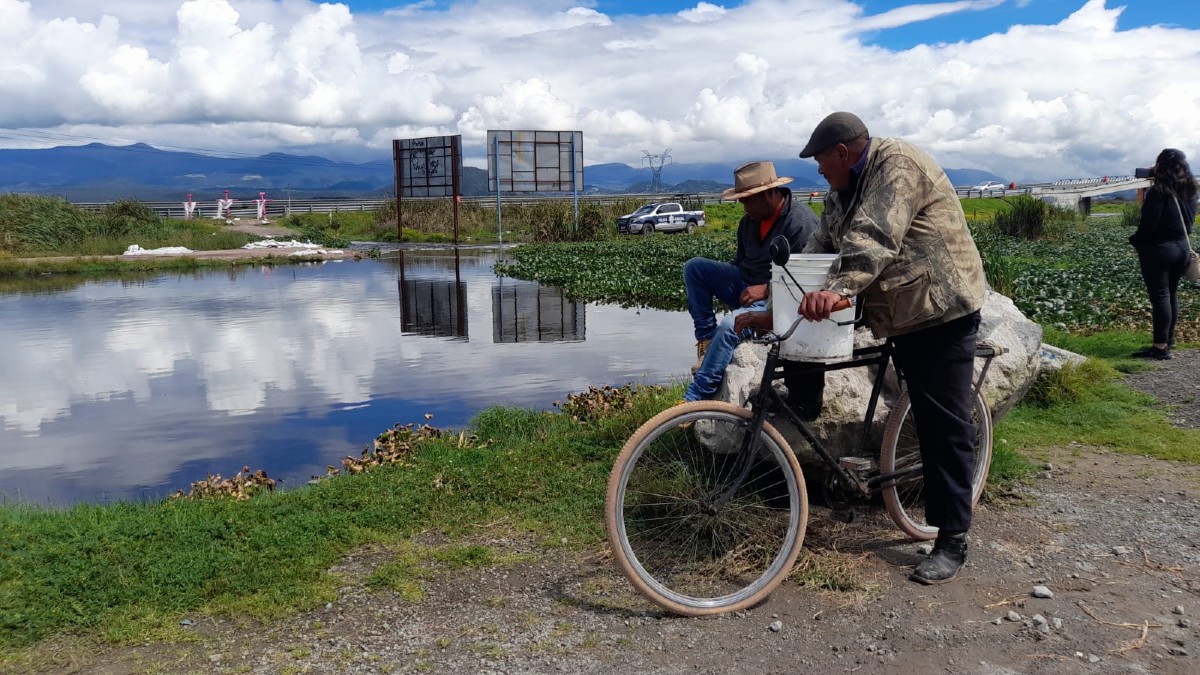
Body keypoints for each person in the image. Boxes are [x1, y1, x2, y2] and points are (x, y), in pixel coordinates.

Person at [796, 112, 987, 585]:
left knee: (941, 423)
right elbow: (823, 247)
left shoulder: (896, 163)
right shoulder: (844, 191)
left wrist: (839, 289)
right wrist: (779, 294)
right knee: (917, 406)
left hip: (941, 307)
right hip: (902, 311)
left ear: (843, 152)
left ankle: (952, 538)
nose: (819, 171)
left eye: (822, 162)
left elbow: (875, 235)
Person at [682, 161, 819, 408]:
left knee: (729, 325)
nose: (745, 208)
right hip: (746, 286)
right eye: (742, 201)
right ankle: (705, 342)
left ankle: (697, 397)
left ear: (770, 193)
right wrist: (738, 284)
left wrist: (766, 288)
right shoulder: (749, 222)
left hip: (776, 300)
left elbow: (804, 283)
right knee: (695, 268)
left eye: (749, 200)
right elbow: (740, 263)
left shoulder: (801, 224)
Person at [1128, 148, 1196, 360]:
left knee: (1160, 296)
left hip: (1160, 251)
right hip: (1182, 249)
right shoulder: (1191, 190)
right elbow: (1189, 225)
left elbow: (1148, 226)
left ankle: (1159, 347)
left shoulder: (1159, 192)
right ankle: (1169, 339)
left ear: (1161, 165)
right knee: (1170, 294)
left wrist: (1136, 242)